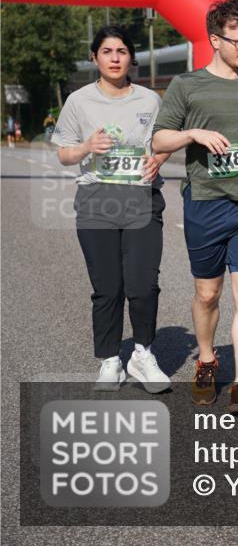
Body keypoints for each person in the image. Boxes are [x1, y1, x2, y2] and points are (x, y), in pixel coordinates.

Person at [152, 0, 238, 413]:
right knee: (208, 295)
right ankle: (208, 360)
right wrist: (192, 133)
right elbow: (159, 140)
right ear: (215, 39)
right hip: (206, 203)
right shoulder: (187, 86)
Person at [52, 26, 172, 392]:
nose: (115, 57)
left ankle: (142, 353)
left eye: (122, 51)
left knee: (142, 285)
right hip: (96, 200)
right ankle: (109, 360)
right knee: (107, 289)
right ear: (95, 58)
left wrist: (158, 160)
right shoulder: (78, 101)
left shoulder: (150, 101)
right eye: (107, 51)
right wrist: (87, 146)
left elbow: (164, 141)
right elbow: (63, 154)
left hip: (141, 199)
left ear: (131, 58)